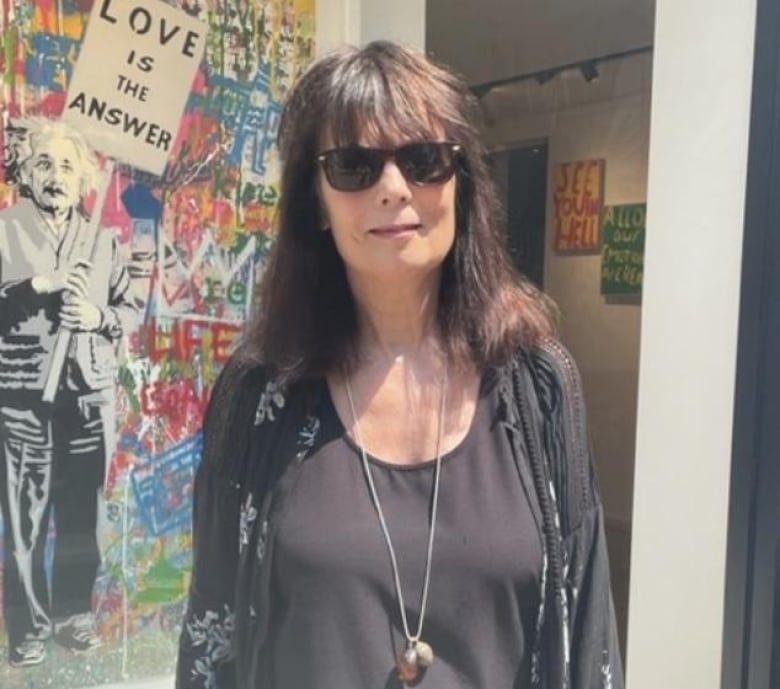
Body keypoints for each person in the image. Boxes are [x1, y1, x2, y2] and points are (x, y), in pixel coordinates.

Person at [176, 41, 623, 689]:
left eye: (424, 160)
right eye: (354, 165)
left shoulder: (539, 386)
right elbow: (211, 638)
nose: (393, 188)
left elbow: (588, 636)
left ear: (461, 185)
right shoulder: (260, 394)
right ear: (317, 202)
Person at [0, 117, 139, 667]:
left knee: (84, 515)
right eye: (43, 164)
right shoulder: (5, 230)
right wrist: (39, 286)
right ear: (26, 176)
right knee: (24, 517)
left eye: (65, 165)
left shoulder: (103, 240)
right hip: (24, 397)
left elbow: (128, 310)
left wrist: (97, 315)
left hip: (88, 395)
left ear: (82, 177)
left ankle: (73, 617)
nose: (55, 175)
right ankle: (28, 629)